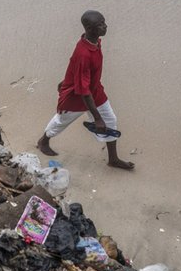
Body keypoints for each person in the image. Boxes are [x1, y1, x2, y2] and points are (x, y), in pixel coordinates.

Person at [37, 10, 135, 170]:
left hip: (94, 89)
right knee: (61, 122)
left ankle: (113, 159)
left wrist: (66, 79)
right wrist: (96, 118)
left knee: (110, 120)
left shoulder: (94, 41)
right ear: (89, 29)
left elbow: (75, 66)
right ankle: (43, 141)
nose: (106, 26)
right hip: (77, 96)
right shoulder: (84, 53)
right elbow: (83, 90)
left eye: (104, 22)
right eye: (101, 25)